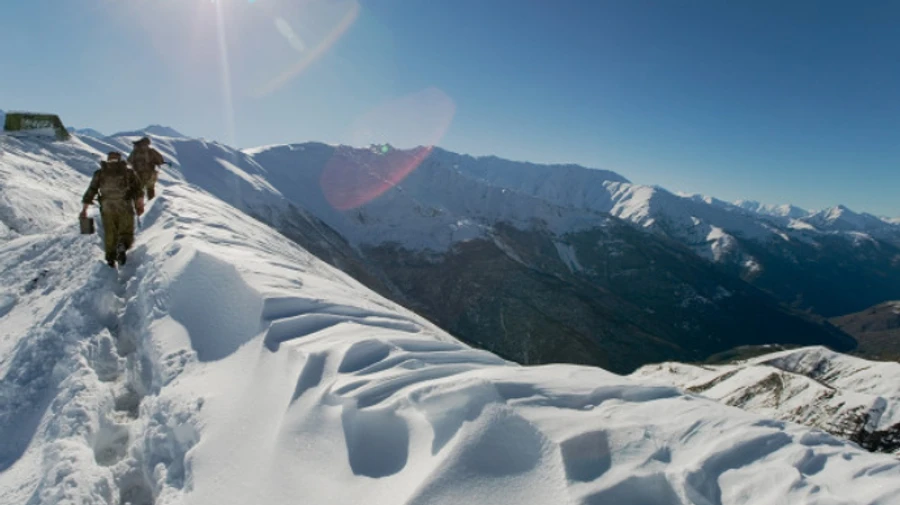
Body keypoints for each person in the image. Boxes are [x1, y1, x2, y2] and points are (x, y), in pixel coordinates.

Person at [81, 152, 145, 268]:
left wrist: (84, 209)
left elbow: (91, 190)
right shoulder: (128, 172)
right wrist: (139, 206)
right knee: (126, 231)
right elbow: (138, 190)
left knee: (110, 232)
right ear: (119, 159)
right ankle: (122, 245)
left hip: (107, 207)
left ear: (108, 159)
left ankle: (110, 259)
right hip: (124, 205)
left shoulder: (100, 173)